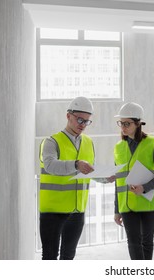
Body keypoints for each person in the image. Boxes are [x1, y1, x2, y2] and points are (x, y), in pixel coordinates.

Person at [38, 96, 96, 260]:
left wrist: (106, 178)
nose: (82, 125)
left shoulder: (89, 142)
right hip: (53, 211)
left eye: (86, 121)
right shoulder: (51, 141)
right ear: (68, 116)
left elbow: (89, 170)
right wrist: (76, 164)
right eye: (79, 119)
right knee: (49, 256)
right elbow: (50, 165)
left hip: (77, 210)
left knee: (68, 256)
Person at [113, 102, 154, 260]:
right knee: (133, 242)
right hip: (127, 204)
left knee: (146, 241)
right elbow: (119, 181)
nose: (123, 126)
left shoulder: (152, 143)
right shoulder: (118, 147)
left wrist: (144, 188)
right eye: (121, 123)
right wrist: (116, 209)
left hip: (149, 202)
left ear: (138, 124)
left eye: (127, 123)